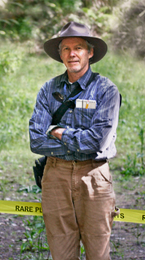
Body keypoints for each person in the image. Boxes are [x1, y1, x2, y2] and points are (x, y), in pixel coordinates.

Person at [29, 21, 120, 259]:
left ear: (90, 52)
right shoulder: (48, 90)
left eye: (78, 47)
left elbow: (97, 142)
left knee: (98, 254)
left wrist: (59, 132)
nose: (72, 54)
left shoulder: (106, 90)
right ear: (60, 54)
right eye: (66, 49)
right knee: (61, 254)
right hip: (55, 176)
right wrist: (79, 140)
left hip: (94, 177)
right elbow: (36, 141)